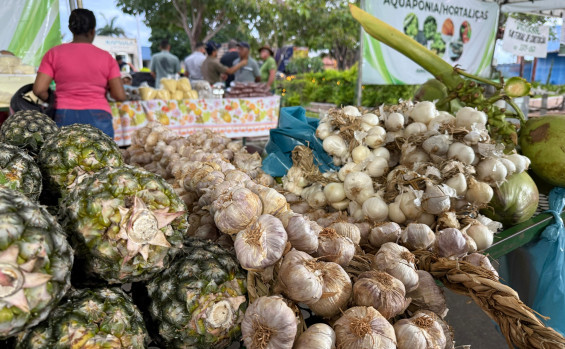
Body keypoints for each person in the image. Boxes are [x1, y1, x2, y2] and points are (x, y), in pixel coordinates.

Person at [33, 8, 125, 138]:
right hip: (99, 116)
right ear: (93, 31)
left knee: (65, 156)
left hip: (63, 114)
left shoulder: (54, 53)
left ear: (71, 29)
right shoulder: (107, 58)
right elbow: (119, 95)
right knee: (100, 157)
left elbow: (38, 89)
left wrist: (52, 99)